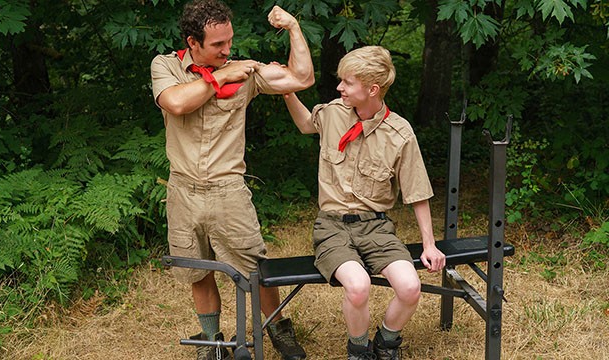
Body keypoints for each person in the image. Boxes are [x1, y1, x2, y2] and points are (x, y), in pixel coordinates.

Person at [150, 1, 314, 359]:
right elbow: (176, 103)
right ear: (193, 42)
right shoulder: (166, 67)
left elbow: (302, 78)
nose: (227, 51)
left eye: (229, 42)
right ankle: (213, 343)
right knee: (198, 270)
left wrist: (294, 29)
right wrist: (221, 77)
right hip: (183, 191)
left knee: (254, 268)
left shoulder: (246, 72)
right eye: (217, 45)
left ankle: (277, 329)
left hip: (229, 191)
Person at [282, 46, 446, 360]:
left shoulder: (399, 133)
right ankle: (358, 351)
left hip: (376, 228)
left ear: (371, 89)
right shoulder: (333, 113)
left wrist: (429, 244)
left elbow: (417, 192)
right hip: (332, 226)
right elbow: (306, 124)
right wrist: (288, 93)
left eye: (347, 82)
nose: (339, 87)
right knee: (357, 286)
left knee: (410, 287)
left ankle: (386, 342)